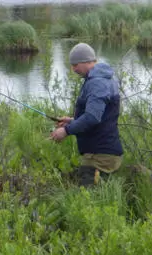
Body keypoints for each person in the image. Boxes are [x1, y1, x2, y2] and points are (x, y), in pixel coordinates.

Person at [50, 43, 123, 186]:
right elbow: (101, 116)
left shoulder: (97, 83)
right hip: (102, 153)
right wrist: (72, 121)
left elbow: (92, 117)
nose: (73, 69)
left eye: (75, 64)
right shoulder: (101, 79)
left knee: (89, 200)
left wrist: (66, 131)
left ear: (86, 62)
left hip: (100, 156)